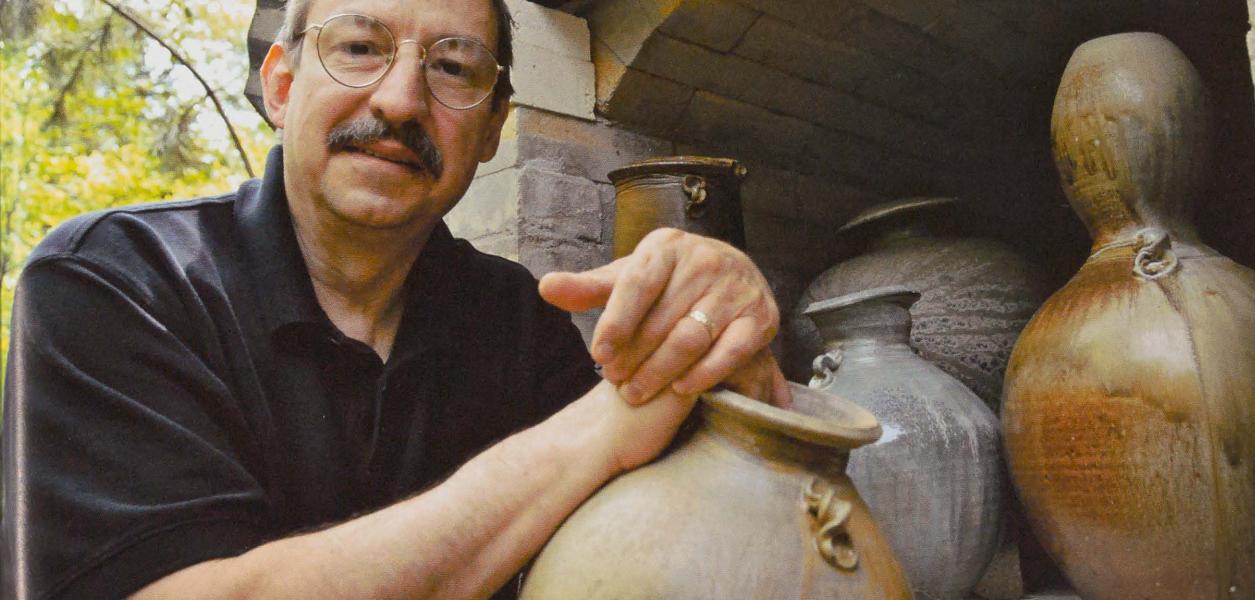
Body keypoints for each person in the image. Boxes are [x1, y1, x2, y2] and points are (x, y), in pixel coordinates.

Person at [0, 0, 791, 598]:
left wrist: (715, 329)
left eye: (453, 67)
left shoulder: (521, 321)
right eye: (358, 47)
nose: (402, 100)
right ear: (280, 85)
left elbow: (658, 543)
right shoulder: (112, 278)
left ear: (492, 129)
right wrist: (602, 426)